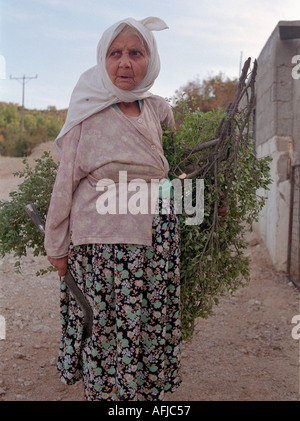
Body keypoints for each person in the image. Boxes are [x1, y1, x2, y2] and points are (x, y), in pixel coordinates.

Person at [44, 17, 181, 401]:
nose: (125, 63)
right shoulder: (86, 113)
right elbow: (65, 182)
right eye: (115, 53)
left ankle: (142, 401)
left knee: (148, 326)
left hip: (155, 245)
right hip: (103, 250)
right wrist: (56, 244)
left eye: (136, 53)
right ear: (102, 59)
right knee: (104, 330)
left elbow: (178, 158)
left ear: (150, 60)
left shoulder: (156, 109)